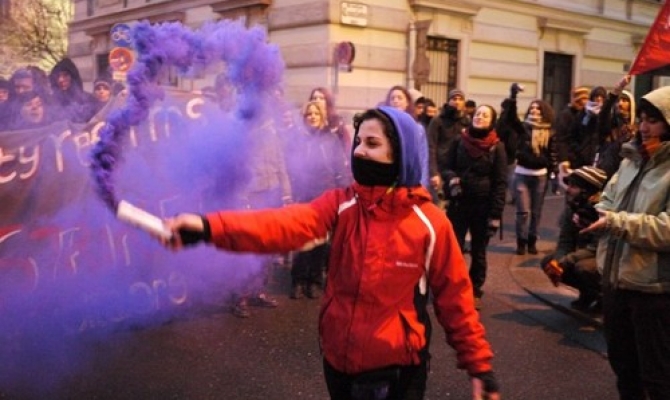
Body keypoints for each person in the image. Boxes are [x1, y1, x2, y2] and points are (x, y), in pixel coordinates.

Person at [160, 106, 501, 400]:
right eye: (358, 142)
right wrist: (208, 227)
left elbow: (456, 301)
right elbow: (283, 225)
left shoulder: (430, 223)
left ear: (401, 154)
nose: (359, 151)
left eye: (372, 144)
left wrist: (479, 367)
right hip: (337, 363)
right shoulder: (341, 204)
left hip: (396, 372)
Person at [580, 85, 670, 400]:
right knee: (624, 370)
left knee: (657, 378)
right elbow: (608, 198)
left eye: (653, 121)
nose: (643, 127)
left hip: (653, 292)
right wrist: (594, 213)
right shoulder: (631, 157)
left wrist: (615, 222)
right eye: (641, 119)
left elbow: (667, 229)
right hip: (615, 282)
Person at [442, 104, 507, 309]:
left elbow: (500, 183)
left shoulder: (497, 147)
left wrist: (495, 214)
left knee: (479, 251)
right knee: (455, 248)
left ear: (492, 121)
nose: (480, 117)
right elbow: (446, 167)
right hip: (459, 203)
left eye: (485, 115)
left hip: (483, 206)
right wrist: (452, 179)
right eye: (478, 114)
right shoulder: (459, 140)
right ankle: (454, 287)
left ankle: (474, 290)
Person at [286, 100, 350, 299]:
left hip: (325, 195)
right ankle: (298, 280)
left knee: (321, 241)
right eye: (309, 114)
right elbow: (289, 167)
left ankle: (314, 280)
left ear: (322, 116)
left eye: (316, 113)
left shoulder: (331, 140)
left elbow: (340, 169)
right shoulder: (297, 139)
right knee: (302, 240)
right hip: (303, 194)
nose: (312, 117)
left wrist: (344, 192)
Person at [539, 166, 607, 313]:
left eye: (573, 186)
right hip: (584, 253)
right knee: (548, 262)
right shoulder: (574, 206)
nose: (568, 190)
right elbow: (565, 240)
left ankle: (603, 298)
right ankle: (587, 293)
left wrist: (565, 261)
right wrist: (557, 262)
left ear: (586, 191)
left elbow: (595, 248)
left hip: (603, 257)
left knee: (583, 267)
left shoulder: (602, 211)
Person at [512, 99, 556, 255]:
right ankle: (521, 242)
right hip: (522, 174)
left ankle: (532, 241)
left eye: (538, 108)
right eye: (532, 108)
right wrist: (513, 95)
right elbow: (511, 117)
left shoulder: (549, 131)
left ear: (543, 111)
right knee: (523, 211)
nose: (534, 110)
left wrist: (554, 174)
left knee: (536, 212)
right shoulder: (523, 128)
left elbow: (552, 153)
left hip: (540, 176)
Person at [383, 85, 430, 188]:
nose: (395, 101)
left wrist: (423, 184)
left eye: (399, 98)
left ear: (407, 102)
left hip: (410, 181)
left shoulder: (418, 128)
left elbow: (423, 158)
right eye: (392, 98)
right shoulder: (382, 126)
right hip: (387, 180)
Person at [427, 88, 470, 197]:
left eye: (460, 99)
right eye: (454, 99)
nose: (457, 101)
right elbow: (431, 146)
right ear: (449, 101)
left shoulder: (467, 121)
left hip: (459, 170)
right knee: (439, 203)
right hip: (441, 170)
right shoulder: (438, 120)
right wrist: (433, 172)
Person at [555, 86, 589, 188]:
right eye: (582, 99)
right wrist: (564, 159)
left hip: (584, 158)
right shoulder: (566, 115)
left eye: (586, 98)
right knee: (572, 188)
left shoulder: (587, 114)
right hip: (571, 159)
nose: (584, 102)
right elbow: (561, 139)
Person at [48, 58, 97, 123]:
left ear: (73, 77)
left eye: (65, 75)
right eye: (57, 76)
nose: (60, 80)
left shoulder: (88, 99)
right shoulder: (51, 101)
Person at [309, 87, 353, 155]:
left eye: (321, 98)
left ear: (327, 101)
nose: (317, 100)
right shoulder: (305, 123)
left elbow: (347, 147)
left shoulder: (337, 123)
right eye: (314, 98)